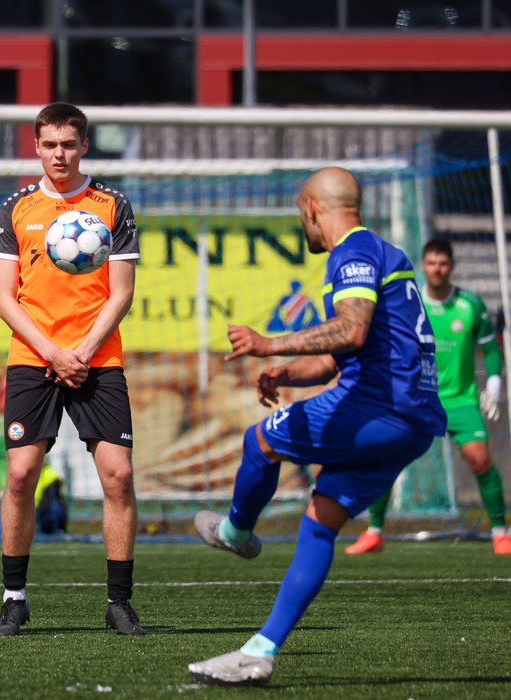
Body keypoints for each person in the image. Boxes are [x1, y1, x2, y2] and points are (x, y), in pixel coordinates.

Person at [187, 167, 447, 686]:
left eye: (298, 213)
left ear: (310, 207)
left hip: (378, 408)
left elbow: (350, 331)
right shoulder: (384, 253)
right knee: (319, 521)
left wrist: (269, 344)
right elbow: (338, 357)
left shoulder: (352, 252)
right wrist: (287, 372)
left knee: (260, 440)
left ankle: (236, 532)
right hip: (414, 423)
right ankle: (259, 652)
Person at [0, 102, 143, 636]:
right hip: (33, 357)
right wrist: (52, 351)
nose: (60, 154)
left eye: (69, 144)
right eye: (50, 144)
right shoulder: (15, 208)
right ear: (36, 146)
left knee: (119, 476)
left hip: (97, 358)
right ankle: (14, 599)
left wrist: (81, 351)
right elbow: (4, 297)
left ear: (84, 146)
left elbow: (121, 293)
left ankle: (119, 603)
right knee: (20, 475)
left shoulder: (113, 205)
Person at [347, 239, 511, 555]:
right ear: (423, 265)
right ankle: (374, 532)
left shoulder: (471, 304)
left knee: (480, 459)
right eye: (432, 262)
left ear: (452, 266)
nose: (437, 269)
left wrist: (493, 389)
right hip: (417, 400)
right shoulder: (410, 302)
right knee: (388, 458)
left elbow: (490, 350)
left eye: (443, 263)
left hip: (460, 400)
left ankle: (500, 533)